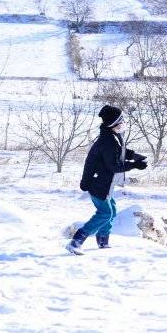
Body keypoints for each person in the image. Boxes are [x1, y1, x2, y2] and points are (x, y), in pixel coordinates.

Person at [67, 105, 148, 255]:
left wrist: (134, 155)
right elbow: (114, 166)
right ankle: (76, 241)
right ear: (114, 124)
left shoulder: (113, 137)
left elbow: (119, 152)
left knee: (112, 210)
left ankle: (103, 240)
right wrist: (134, 165)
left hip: (105, 183)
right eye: (121, 120)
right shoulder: (107, 141)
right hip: (99, 184)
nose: (124, 123)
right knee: (105, 213)